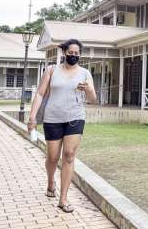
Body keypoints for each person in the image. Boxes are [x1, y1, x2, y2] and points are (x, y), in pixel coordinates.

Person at [27, 39, 97, 213]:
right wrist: (32, 117)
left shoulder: (85, 73)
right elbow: (40, 94)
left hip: (76, 117)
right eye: (70, 53)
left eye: (77, 53)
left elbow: (93, 99)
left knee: (69, 154)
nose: (74, 56)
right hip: (53, 118)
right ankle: (51, 181)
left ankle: (63, 198)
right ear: (64, 53)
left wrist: (87, 89)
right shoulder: (51, 70)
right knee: (52, 157)